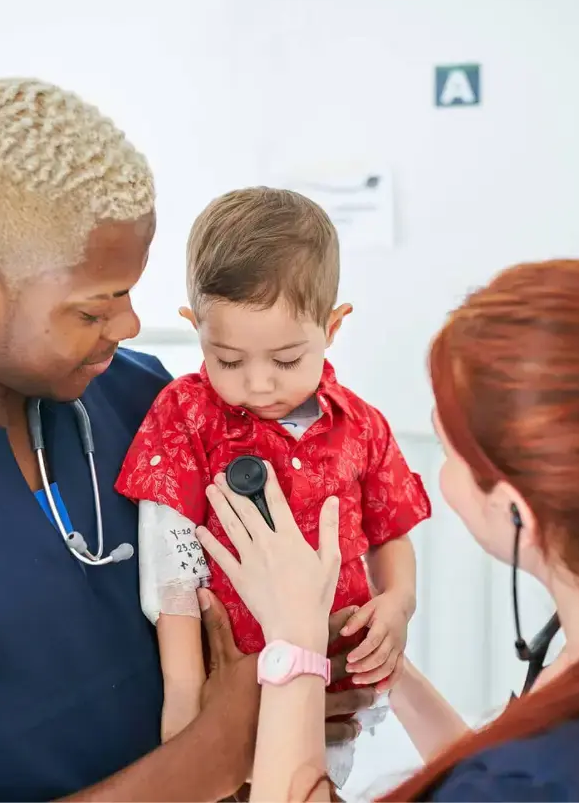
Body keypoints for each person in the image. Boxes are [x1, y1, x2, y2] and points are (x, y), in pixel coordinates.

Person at [0, 78, 374, 802]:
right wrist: (211, 753)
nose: (127, 327)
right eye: (95, 308)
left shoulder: (148, 401)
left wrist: (308, 678)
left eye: (129, 292)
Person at [197, 258, 579, 801]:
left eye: (445, 443)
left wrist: (294, 641)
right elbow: (482, 770)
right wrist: (393, 674)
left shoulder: (549, 777)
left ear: (515, 513)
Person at [114, 187, 431, 784]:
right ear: (195, 327)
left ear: (332, 328)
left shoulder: (361, 426)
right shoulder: (185, 415)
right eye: (227, 360)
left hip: (334, 690)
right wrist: (185, 699)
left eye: (285, 361)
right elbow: (172, 562)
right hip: (228, 691)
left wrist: (398, 604)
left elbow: (392, 534)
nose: (257, 384)